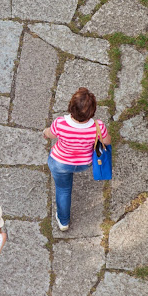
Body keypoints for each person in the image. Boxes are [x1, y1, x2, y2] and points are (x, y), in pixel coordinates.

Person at [43, 87, 112, 231]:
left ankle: (63, 222)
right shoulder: (98, 126)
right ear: (92, 111)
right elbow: (107, 142)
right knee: (65, 186)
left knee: (63, 189)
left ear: (71, 107)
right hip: (83, 163)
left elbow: (50, 134)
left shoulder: (60, 123)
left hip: (60, 163)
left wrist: (45, 132)